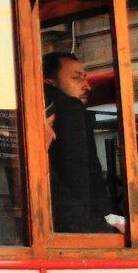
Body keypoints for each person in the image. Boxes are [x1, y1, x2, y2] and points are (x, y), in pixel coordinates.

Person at [43, 52, 114, 233]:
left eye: (85, 78)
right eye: (76, 78)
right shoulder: (69, 107)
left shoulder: (52, 110)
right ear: (49, 82)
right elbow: (77, 172)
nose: (87, 86)